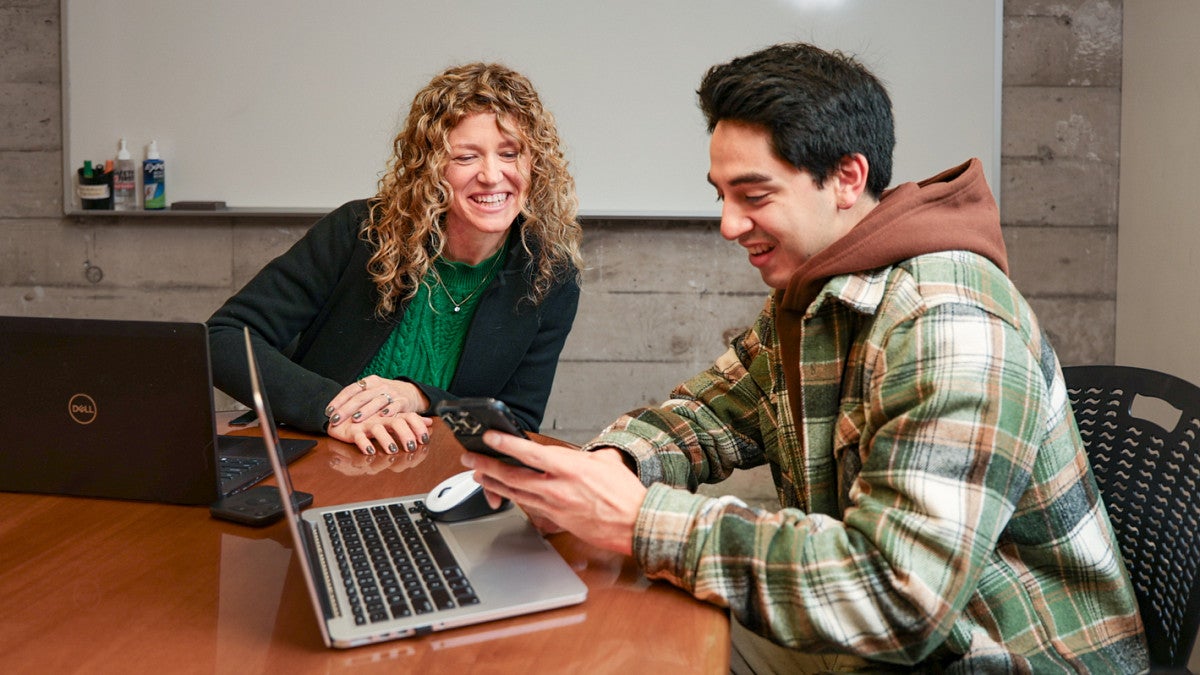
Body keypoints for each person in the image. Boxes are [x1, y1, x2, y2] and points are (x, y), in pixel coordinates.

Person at [463, 43, 1148, 672]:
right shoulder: (816, 292)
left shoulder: (951, 324)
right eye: (722, 196)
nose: (729, 224)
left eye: (754, 195)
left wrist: (640, 521)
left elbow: (896, 596)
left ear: (846, 178)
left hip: (995, 654)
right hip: (876, 638)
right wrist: (603, 470)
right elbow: (708, 410)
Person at [208, 62, 582, 457]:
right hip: (322, 458)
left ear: (535, 164)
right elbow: (224, 338)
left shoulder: (548, 276)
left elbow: (517, 424)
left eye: (510, 154)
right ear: (430, 168)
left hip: (442, 477)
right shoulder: (361, 232)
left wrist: (419, 395)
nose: (492, 175)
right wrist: (335, 410)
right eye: (465, 157)